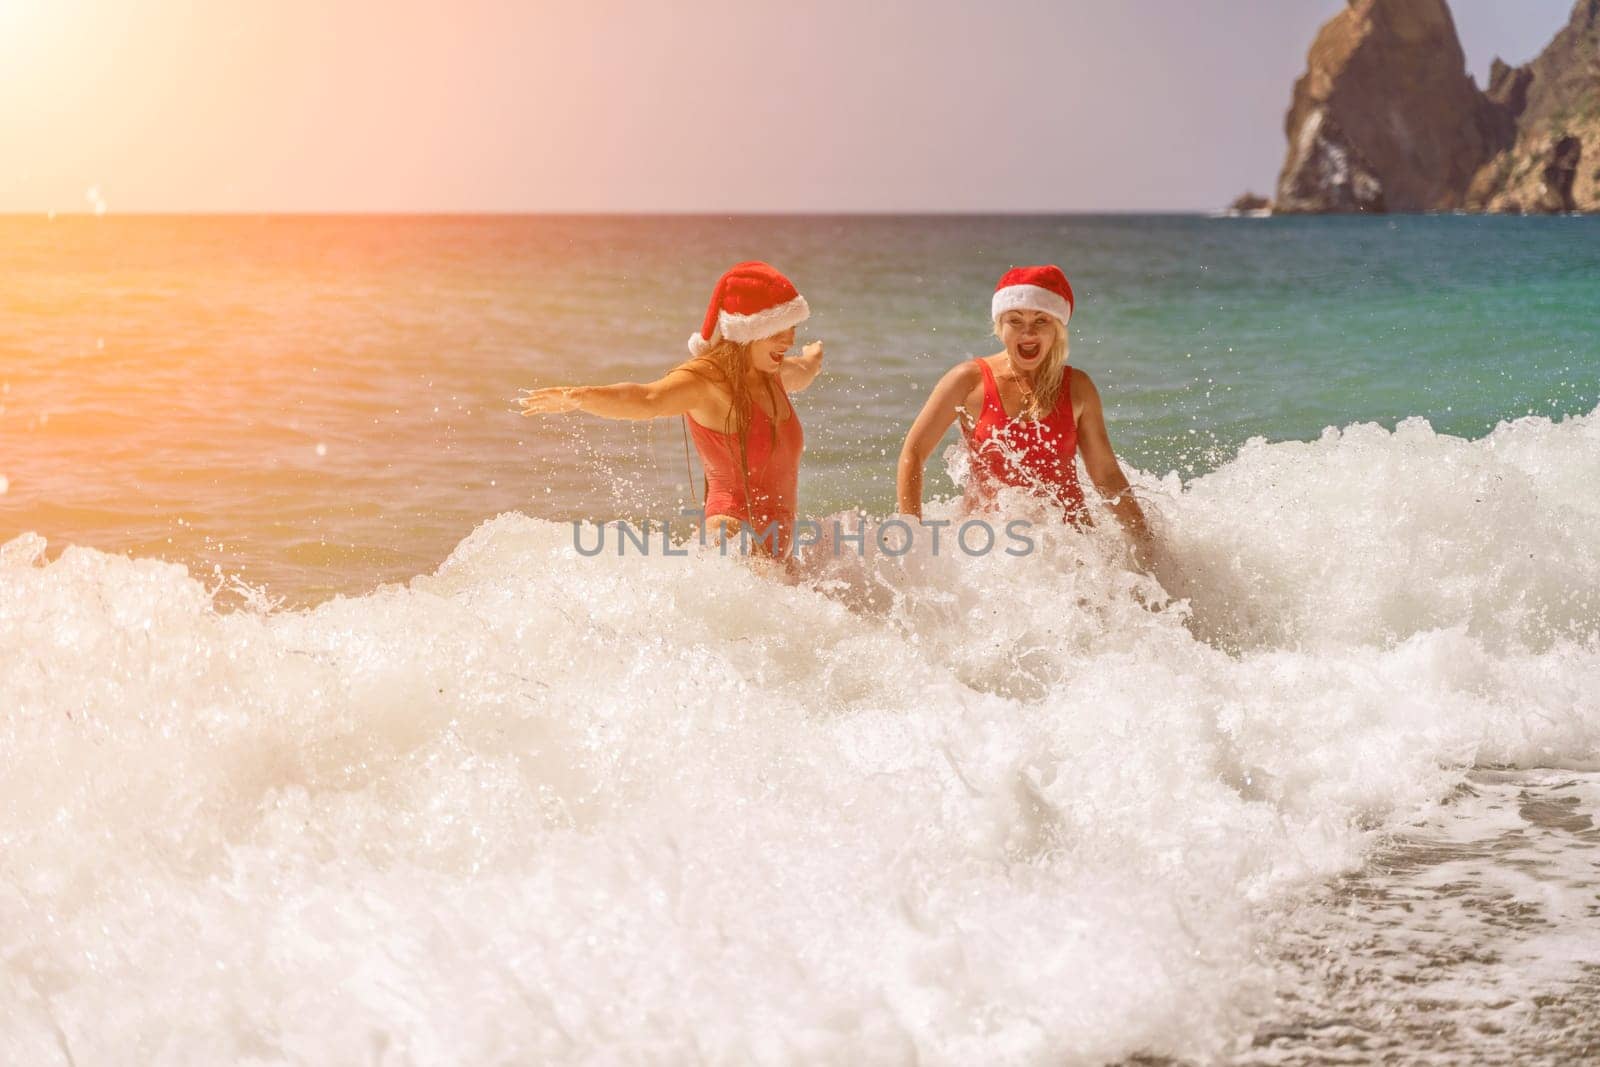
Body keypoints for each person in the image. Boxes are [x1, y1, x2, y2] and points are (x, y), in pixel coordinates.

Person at [518, 261, 822, 557]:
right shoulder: (708, 382)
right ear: (748, 331)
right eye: (778, 329)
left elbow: (805, 371)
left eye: (792, 327)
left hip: (777, 552)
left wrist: (813, 357)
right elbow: (648, 398)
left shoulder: (774, 374)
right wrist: (580, 397)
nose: (790, 339)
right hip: (729, 535)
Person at [896, 265, 1152, 566]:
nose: (1028, 332)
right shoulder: (968, 380)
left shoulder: (1078, 388)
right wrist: (912, 539)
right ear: (1000, 327)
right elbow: (913, 453)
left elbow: (1106, 475)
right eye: (1015, 321)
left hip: (1072, 549)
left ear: (1057, 328)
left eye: (1041, 320)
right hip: (988, 549)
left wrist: (1146, 541)